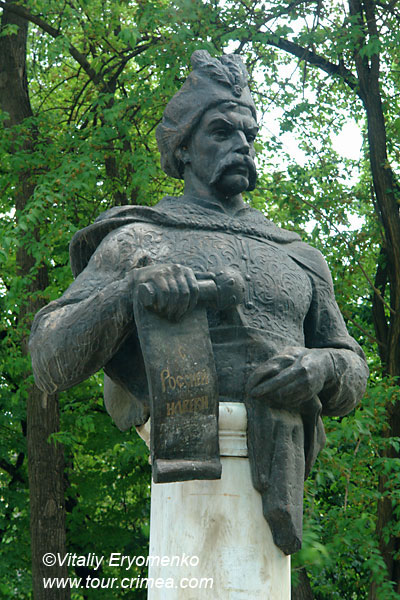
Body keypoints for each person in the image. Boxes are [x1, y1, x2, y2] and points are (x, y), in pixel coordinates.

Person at [29, 50, 368, 554]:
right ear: (184, 147)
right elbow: (48, 357)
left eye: (248, 135)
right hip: (184, 453)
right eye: (221, 132)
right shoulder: (138, 238)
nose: (241, 145)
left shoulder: (299, 256)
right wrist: (130, 290)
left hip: (281, 452)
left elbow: (352, 366)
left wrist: (321, 367)